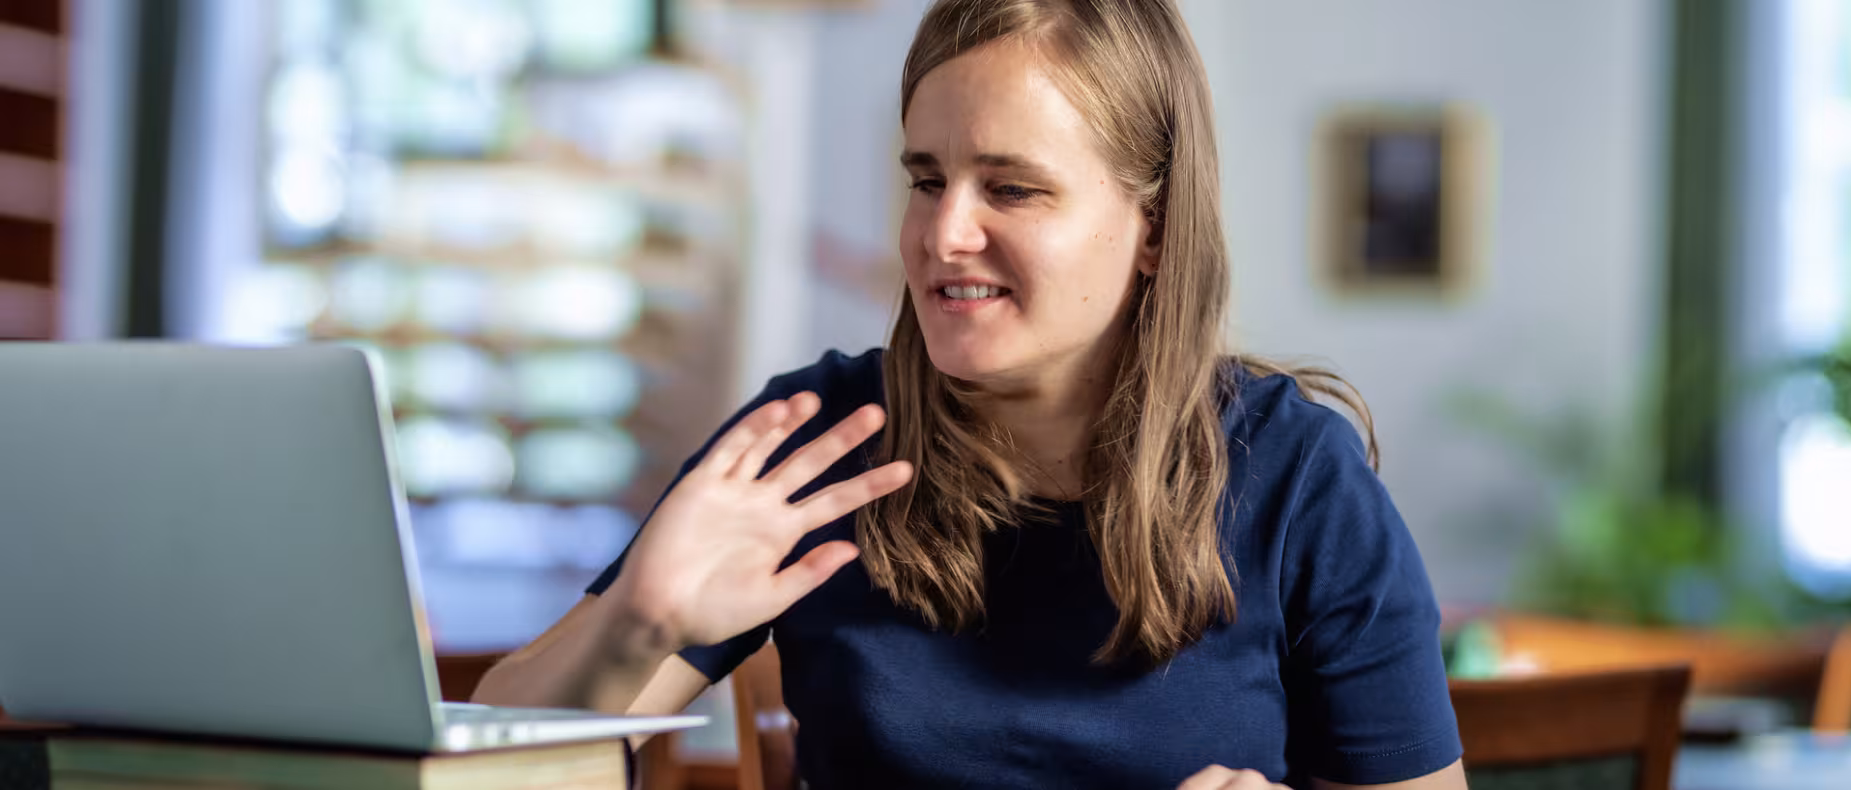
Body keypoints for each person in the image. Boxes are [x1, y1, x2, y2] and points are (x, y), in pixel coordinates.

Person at [472, 0, 1466, 787]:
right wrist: (632, 622)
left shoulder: (1297, 478)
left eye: (1010, 187)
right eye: (924, 177)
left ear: (1154, 228)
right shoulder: (814, 445)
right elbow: (493, 781)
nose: (941, 234)